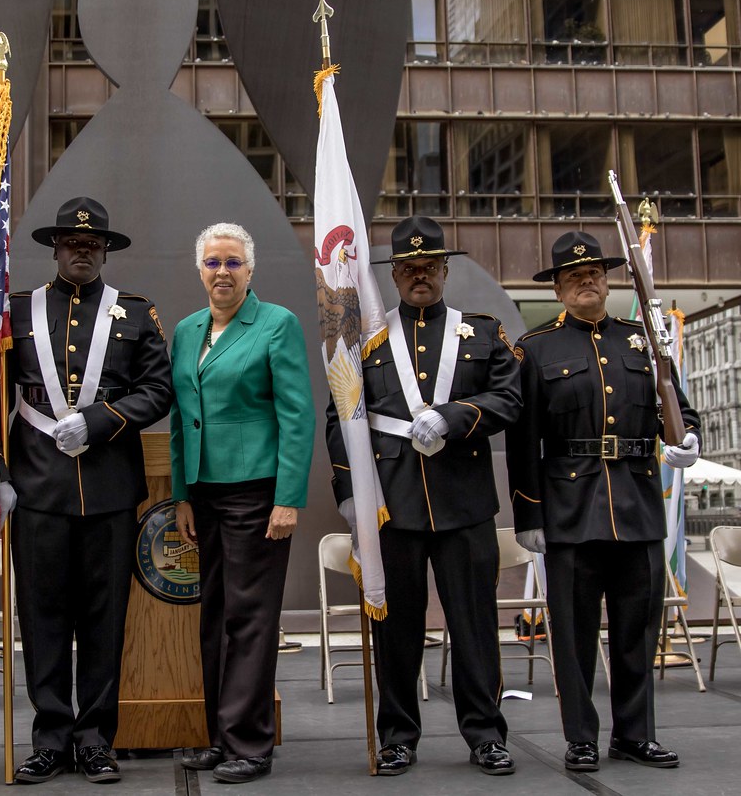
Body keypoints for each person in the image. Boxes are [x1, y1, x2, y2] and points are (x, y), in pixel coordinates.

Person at [325, 216, 522, 776]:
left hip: (464, 505)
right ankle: (397, 736)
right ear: (393, 276)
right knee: (395, 630)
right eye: (407, 268)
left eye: (428, 266)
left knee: (476, 627)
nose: (419, 276)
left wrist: (456, 416)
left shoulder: (481, 333)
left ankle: (485, 735)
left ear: (444, 270)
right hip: (393, 505)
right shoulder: (365, 340)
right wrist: (348, 493)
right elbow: (340, 418)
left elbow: (509, 398)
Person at [507, 231, 701, 772]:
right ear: (559, 288)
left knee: (637, 631)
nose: (586, 281)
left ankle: (635, 735)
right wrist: (528, 514)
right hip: (570, 509)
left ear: (609, 279)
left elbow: (680, 411)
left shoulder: (642, 342)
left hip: (638, 505)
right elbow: (523, 444)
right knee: (572, 636)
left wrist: (689, 440)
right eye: (573, 276)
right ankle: (582, 738)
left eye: (594, 273)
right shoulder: (537, 348)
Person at [3, 197, 173, 785]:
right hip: (37, 488)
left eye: (92, 244)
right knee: (43, 616)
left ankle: (97, 738)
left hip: (108, 489)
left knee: (105, 619)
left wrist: (100, 421)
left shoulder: (133, 313)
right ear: (55, 248)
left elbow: (158, 390)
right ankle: (51, 737)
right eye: (72, 244)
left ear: (105, 251)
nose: (82, 251)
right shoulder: (17, 311)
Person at [171, 223, 315, 785]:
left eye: (233, 262)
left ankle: (251, 744)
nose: (222, 272)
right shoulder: (186, 331)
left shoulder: (276, 324)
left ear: (250, 271)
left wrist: (288, 499)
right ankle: (216, 736)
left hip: (257, 493)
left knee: (250, 620)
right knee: (213, 616)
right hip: (204, 494)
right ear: (200, 270)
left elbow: (297, 416)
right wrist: (182, 493)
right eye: (213, 262)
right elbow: (184, 420)